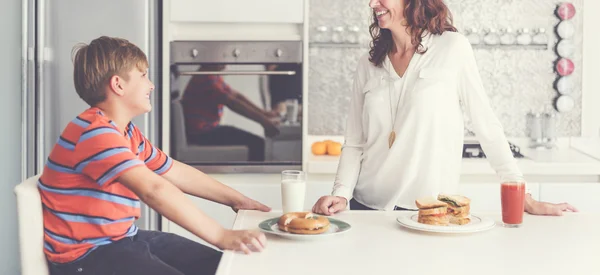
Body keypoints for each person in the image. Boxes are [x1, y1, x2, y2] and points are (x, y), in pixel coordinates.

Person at [312, 0, 578, 216]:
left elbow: (486, 125)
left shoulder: (453, 48)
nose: (372, 4)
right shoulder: (368, 64)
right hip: (365, 209)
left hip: (429, 213)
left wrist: (522, 194)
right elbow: (355, 142)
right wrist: (340, 194)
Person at [39, 36, 271, 275]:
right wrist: (220, 235)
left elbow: (173, 171)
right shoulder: (94, 133)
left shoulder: (126, 132)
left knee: (222, 266)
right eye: (143, 76)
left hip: (123, 238)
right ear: (118, 85)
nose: (151, 85)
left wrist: (237, 200)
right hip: (87, 256)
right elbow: (154, 189)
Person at [180, 65, 280, 161]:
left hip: (207, 130)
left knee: (254, 141)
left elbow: (235, 95)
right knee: (257, 143)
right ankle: (254, 177)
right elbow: (232, 103)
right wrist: (264, 122)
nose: (226, 64)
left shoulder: (211, 74)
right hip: (202, 134)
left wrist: (264, 113)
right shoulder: (207, 79)